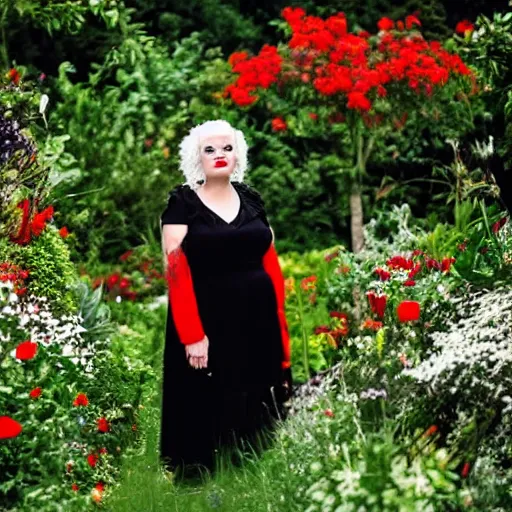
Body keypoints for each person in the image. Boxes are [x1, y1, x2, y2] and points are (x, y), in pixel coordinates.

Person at [159, 119, 293, 478]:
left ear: (238, 155)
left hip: (257, 317)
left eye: (228, 148)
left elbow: (270, 259)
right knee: (205, 399)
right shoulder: (181, 203)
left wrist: (281, 335)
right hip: (207, 318)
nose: (220, 155)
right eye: (210, 149)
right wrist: (191, 334)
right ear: (196, 158)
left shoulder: (252, 199)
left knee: (256, 401)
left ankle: (252, 469)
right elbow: (175, 267)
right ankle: (198, 476)